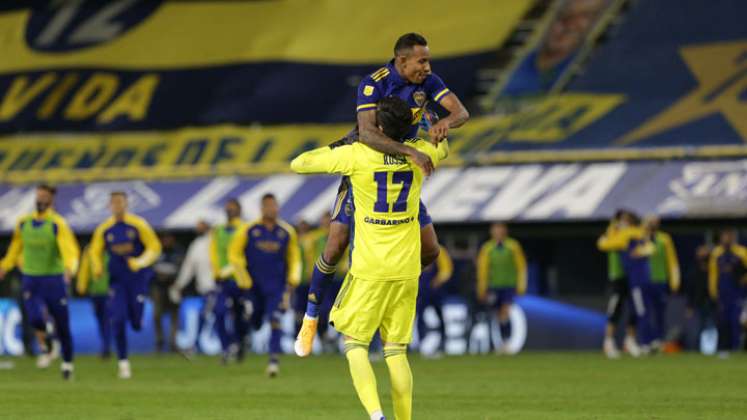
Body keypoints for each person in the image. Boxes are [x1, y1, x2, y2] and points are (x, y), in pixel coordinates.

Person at [296, 32, 469, 355]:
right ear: (402, 60)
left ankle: (391, 286)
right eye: (422, 60)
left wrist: (445, 121)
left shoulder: (428, 82)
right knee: (334, 247)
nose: (427, 67)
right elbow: (367, 134)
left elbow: (461, 113)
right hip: (367, 170)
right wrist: (411, 152)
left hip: (401, 176)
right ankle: (310, 318)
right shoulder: (373, 84)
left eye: (428, 60)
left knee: (431, 251)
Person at [291, 96, 449, 420]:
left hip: (370, 269)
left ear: (375, 127)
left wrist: (344, 142)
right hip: (406, 270)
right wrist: (433, 128)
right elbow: (443, 146)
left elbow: (299, 163)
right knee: (396, 352)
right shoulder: (424, 156)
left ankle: (376, 416)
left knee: (355, 344)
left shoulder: (357, 156)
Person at [0, 184, 79, 380]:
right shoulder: (23, 223)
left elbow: (69, 249)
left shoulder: (57, 224)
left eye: (44, 196)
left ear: (51, 200)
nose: (40, 200)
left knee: (63, 324)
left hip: (53, 279)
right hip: (31, 278)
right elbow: (15, 247)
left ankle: (67, 363)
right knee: (34, 318)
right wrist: (5, 265)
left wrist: (70, 268)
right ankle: (48, 339)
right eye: (38, 196)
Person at [89, 191, 162, 379]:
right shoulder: (104, 229)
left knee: (136, 323)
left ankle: (137, 318)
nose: (117, 206)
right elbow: (94, 251)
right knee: (117, 319)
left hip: (137, 280)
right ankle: (123, 363)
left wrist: (140, 261)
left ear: (126, 204)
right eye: (113, 203)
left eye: (120, 202)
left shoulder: (138, 224)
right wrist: (97, 267)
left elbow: (154, 247)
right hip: (117, 282)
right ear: (109, 206)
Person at [229, 193, 302, 377]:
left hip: (276, 287)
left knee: (275, 319)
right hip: (253, 287)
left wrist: (293, 279)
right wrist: (243, 278)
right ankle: (242, 340)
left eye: (274, 205)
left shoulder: (286, 231)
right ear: (261, 208)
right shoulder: (248, 230)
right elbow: (234, 254)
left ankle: (273, 361)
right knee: (254, 321)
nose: (271, 209)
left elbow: (294, 258)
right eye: (267, 206)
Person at [598, 211, 653, 357]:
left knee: (634, 310)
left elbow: (647, 245)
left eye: (627, 220)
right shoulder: (613, 233)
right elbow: (603, 244)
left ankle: (630, 341)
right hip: (617, 277)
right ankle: (608, 342)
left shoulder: (631, 234)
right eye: (622, 220)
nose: (624, 223)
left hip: (632, 276)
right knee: (615, 309)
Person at [209, 199, 251, 363]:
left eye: (232, 209)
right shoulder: (218, 230)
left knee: (240, 316)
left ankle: (239, 343)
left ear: (239, 211)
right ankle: (226, 348)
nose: (229, 212)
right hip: (222, 282)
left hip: (240, 280)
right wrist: (217, 272)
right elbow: (214, 253)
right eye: (227, 209)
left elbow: (244, 255)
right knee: (219, 312)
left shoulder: (245, 229)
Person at [476, 223, 527, 354]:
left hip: (508, 285)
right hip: (493, 286)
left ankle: (504, 343)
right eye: (495, 230)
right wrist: (482, 288)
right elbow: (482, 269)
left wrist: (521, 285)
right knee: (495, 314)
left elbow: (521, 266)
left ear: (505, 231)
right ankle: (494, 344)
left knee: (504, 312)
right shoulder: (487, 248)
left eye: (500, 230)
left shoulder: (513, 246)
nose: (497, 232)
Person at [170, 220, 216, 354]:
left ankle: (234, 343)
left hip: (222, 285)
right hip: (207, 288)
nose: (198, 227)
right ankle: (196, 344)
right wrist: (178, 285)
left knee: (216, 314)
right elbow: (188, 268)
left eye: (201, 224)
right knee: (208, 314)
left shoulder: (220, 241)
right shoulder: (197, 244)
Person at [643, 215, 680, 351]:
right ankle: (646, 342)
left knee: (660, 313)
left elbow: (672, 261)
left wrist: (674, 281)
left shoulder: (664, 239)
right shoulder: (640, 238)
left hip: (660, 280)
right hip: (643, 282)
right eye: (650, 221)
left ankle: (658, 341)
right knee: (644, 313)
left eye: (655, 221)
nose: (653, 223)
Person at [708, 229, 747, 354]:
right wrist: (713, 292)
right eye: (724, 237)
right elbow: (713, 274)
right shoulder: (716, 253)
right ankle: (723, 349)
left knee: (736, 321)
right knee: (722, 322)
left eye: (728, 236)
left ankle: (737, 348)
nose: (726, 239)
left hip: (738, 293)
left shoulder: (742, 252)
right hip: (723, 293)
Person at [416, 244, 453, 356]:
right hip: (421, 290)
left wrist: (437, 281)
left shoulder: (439, 250)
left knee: (440, 316)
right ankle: (420, 344)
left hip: (435, 291)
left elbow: (446, 269)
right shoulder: (414, 247)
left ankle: (442, 344)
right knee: (419, 317)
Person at [77, 245, 112, 359]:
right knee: (101, 320)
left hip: (109, 293)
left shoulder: (111, 250)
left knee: (106, 320)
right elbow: (85, 268)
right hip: (95, 292)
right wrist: (82, 285)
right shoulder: (90, 251)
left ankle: (105, 348)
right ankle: (105, 346)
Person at [152, 232, 184, 353]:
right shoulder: (156, 251)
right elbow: (150, 267)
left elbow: (182, 268)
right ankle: (159, 341)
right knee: (157, 314)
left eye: (168, 238)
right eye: (164, 238)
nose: (166, 241)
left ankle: (173, 343)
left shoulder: (178, 251)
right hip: (158, 286)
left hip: (173, 286)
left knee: (174, 315)